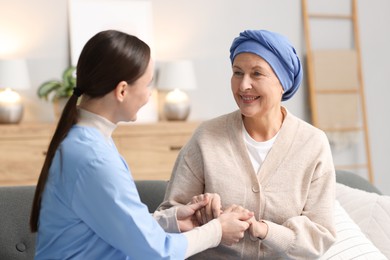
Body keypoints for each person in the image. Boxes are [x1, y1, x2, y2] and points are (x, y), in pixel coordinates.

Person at [29, 29, 254, 259]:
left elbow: (117, 222)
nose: (148, 96)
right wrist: (216, 231)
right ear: (122, 90)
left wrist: (173, 220)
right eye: (147, 85)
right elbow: (155, 251)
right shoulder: (93, 158)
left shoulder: (87, 142)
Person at [157, 29, 337, 259]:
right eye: (237, 73)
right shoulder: (206, 137)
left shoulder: (313, 144)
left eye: (257, 74)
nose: (243, 86)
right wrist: (199, 213)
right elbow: (169, 216)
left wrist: (264, 230)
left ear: (283, 82)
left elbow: (320, 236)